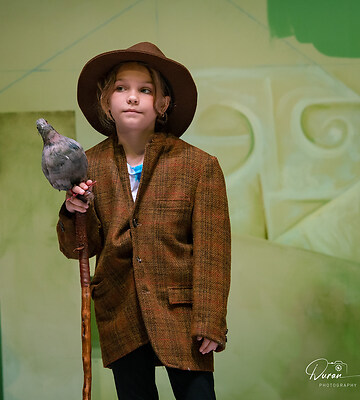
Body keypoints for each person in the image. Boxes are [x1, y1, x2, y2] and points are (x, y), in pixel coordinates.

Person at [56, 42, 231, 400]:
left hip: (181, 313)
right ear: (106, 101)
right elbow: (78, 249)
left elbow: (213, 252)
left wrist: (210, 319)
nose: (132, 97)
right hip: (120, 311)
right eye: (121, 88)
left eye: (145, 90)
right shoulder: (88, 164)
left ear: (163, 103)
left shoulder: (197, 166)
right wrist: (74, 212)